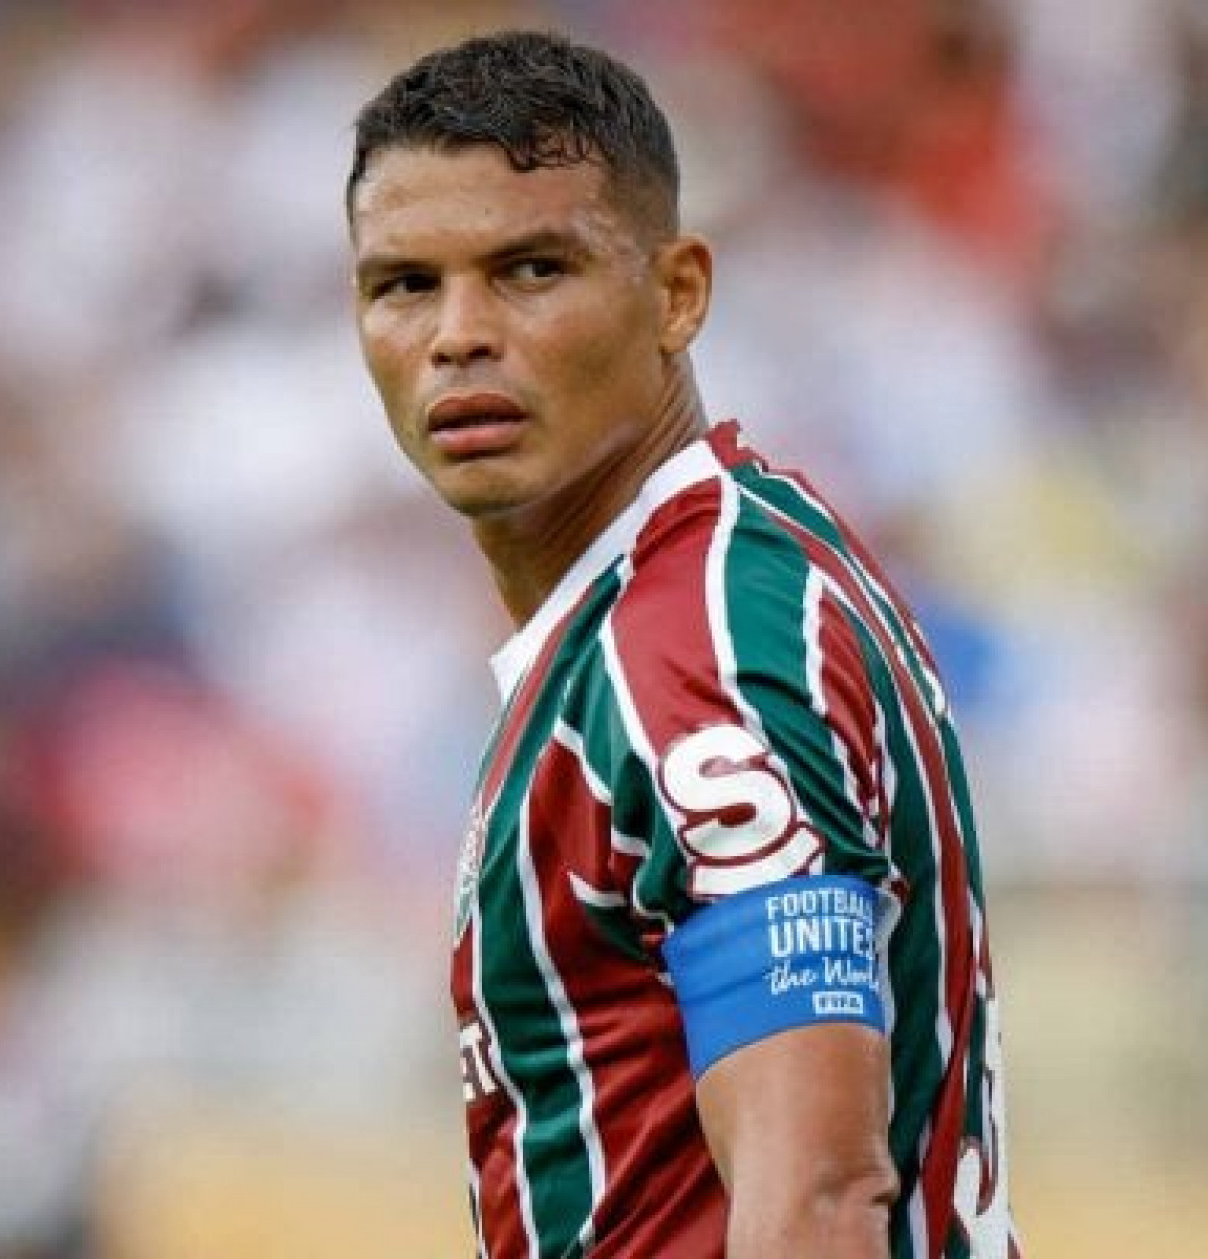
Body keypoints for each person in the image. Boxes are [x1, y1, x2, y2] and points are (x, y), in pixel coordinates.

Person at [345, 29, 1016, 1259]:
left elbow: (820, 1195)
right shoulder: (687, 594)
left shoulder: (698, 647)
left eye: (531, 268)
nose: (459, 333)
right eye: (405, 285)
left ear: (678, 294)